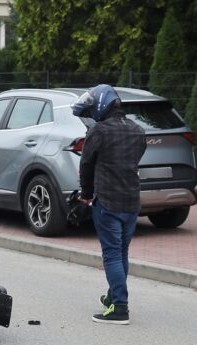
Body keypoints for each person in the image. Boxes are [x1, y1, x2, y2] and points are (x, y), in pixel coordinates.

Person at [73, 84, 146, 325]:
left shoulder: (100, 131)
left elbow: (86, 165)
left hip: (108, 201)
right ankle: (113, 296)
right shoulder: (137, 130)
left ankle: (120, 308)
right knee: (122, 252)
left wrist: (86, 193)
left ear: (102, 105)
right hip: (132, 202)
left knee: (112, 255)